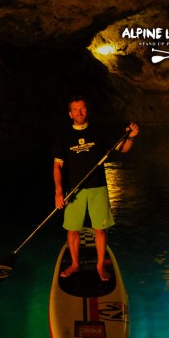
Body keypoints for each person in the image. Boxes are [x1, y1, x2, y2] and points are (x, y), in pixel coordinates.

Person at [51, 95, 139, 281]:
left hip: (98, 187)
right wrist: (59, 191)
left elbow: (122, 148)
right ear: (70, 114)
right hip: (74, 190)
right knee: (73, 229)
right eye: (75, 109)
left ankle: (100, 266)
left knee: (100, 229)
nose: (79, 112)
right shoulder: (63, 138)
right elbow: (57, 166)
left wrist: (130, 138)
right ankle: (75, 264)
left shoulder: (98, 133)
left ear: (87, 110)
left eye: (82, 108)